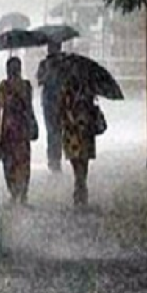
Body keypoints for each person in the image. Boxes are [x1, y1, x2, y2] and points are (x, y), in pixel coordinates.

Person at [0, 56, 37, 205]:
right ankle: (22, 193)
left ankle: (14, 192)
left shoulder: (3, 87)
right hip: (22, 130)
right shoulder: (26, 86)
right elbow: (29, 108)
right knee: (23, 162)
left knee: (9, 163)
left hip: (8, 131)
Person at [58, 74, 97, 208]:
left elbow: (60, 111)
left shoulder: (66, 91)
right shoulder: (88, 91)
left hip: (73, 133)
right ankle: (81, 187)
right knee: (82, 162)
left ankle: (79, 187)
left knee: (78, 162)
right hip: (83, 132)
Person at [37, 41, 64, 172]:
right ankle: (52, 159)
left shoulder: (63, 65)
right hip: (49, 102)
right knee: (51, 131)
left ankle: (56, 158)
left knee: (58, 131)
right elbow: (39, 80)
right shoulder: (44, 64)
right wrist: (47, 73)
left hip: (60, 101)